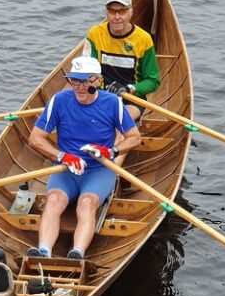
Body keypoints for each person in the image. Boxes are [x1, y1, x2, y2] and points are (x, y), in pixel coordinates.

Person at [27, 55, 141, 260]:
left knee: (86, 203)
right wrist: (63, 156)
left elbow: (134, 138)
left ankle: (77, 253)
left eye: (84, 81)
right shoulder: (60, 100)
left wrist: (111, 152)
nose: (78, 87)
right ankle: (43, 251)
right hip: (66, 170)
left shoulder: (112, 103)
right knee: (53, 200)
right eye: (74, 81)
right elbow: (35, 138)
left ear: (97, 81)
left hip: (98, 169)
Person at [82, 0, 160, 123]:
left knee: (118, 120)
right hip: (100, 94)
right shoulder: (94, 34)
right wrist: (94, 83)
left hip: (131, 99)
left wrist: (130, 89)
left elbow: (153, 81)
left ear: (131, 12)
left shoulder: (144, 39)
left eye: (122, 11)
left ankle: (117, 142)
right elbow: (87, 70)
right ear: (106, 12)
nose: (117, 17)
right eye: (112, 11)